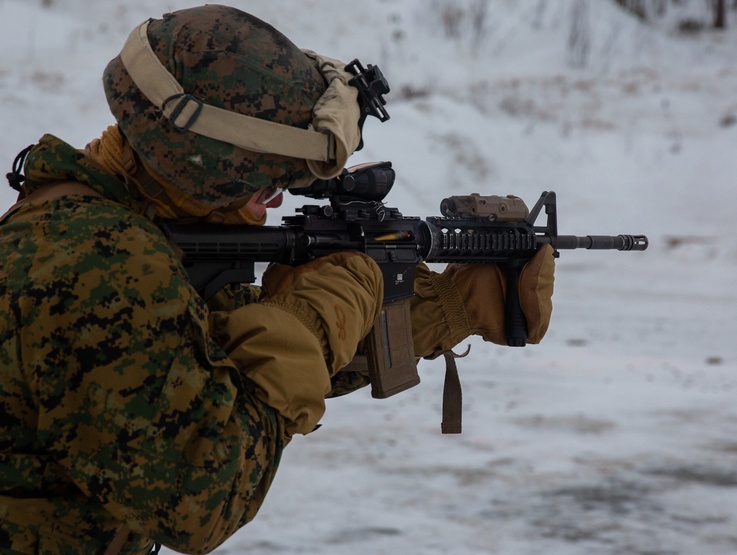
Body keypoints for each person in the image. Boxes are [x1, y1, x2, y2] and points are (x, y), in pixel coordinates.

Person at [0, 5, 554, 554]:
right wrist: (312, 318)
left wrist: (448, 307)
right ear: (207, 170)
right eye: (266, 187)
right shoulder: (100, 266)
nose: (272, 207)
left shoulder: (103, 228)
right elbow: (205, 494)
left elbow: (218, 373)